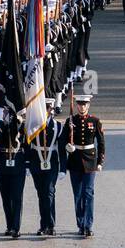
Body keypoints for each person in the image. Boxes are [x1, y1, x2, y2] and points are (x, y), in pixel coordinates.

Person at [64, 93, 104, 238]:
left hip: (90, 161)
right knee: (78, 195)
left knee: (88, 193)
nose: (82, 107)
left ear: (88, 105)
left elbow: (101, 143)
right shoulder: (70, 121)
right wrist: (67, 146)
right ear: (76, 106)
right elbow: (62, 141)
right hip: (75, 161)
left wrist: (100, 162)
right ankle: (81, 224)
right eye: (79, 104)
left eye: (84, 104)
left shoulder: (95, 121)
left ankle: (88, 225)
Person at [26, 98, 63, 237]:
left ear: (51, 110)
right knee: (41, 194)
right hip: (37, 162)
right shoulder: (33, 125)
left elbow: (62, 150)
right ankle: (43, 225)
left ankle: (50, 225)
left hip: (51, 162)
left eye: (48, 109)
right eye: (44, 109)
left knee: (49, 192)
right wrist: (27, 165)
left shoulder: (58, 126)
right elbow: (28, 146)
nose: (46, 111)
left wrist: (63, 168)